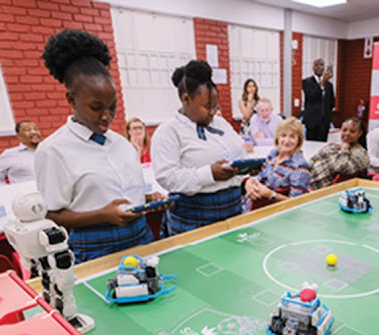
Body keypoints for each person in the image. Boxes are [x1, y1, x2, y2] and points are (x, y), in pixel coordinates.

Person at [35, 29, 154, 263]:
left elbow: (118, 192)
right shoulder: (53, 150)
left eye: (113, 106)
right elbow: (51, 214)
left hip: (140, 235)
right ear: (71, 100)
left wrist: (147, 199)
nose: (106, 116)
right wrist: (102, 215)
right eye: (96, 107)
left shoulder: (122, 144)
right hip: (94, 247)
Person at [150, 60, 248, 237]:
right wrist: (209, 174)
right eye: (207, 107)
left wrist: (246, 169)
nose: (213, 112)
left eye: (215, 106)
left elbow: (237, 152)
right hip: (195, 218)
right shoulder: (168, 132)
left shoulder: (221, 124)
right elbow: (168, 177)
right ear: (186, 99)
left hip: (232, 209)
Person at [245, 117, 311, 206]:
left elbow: (297, 203)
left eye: (292, 137)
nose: (286, 141)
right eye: (283, 135)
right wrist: (249, 182)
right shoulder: (273, 154)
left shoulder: (300, 167)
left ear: (298, 140)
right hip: (247, 203)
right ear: (278, 137)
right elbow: (261, 176)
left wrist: (271, 195)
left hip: (267, 210)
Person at [309, 118, 368, 190]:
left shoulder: (361, 155)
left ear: (360, 133)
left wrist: (344, 150)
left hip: (320, 189)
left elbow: (341, 168)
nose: (347, 133)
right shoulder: (336, 144)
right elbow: (315, 158)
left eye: (352, 131)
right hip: (306, 180)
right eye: (344, 130)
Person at [0, 120, 41, 186]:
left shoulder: (47, 151)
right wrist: (11, 193)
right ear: (19, 136)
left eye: (36, 129)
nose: (34, 132)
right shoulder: (9, 155)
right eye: (28, 130)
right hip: (25, 194)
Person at [302, 58, 335, 142]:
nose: (319, 67)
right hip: (312, 122)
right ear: (313, 68)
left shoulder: (329, 85)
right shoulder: (306, 82)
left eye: (321, 65)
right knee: (311, 146)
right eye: (317, 65)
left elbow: (331, 103)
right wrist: (322, 83)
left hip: (324, 123)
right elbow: (311, 96)